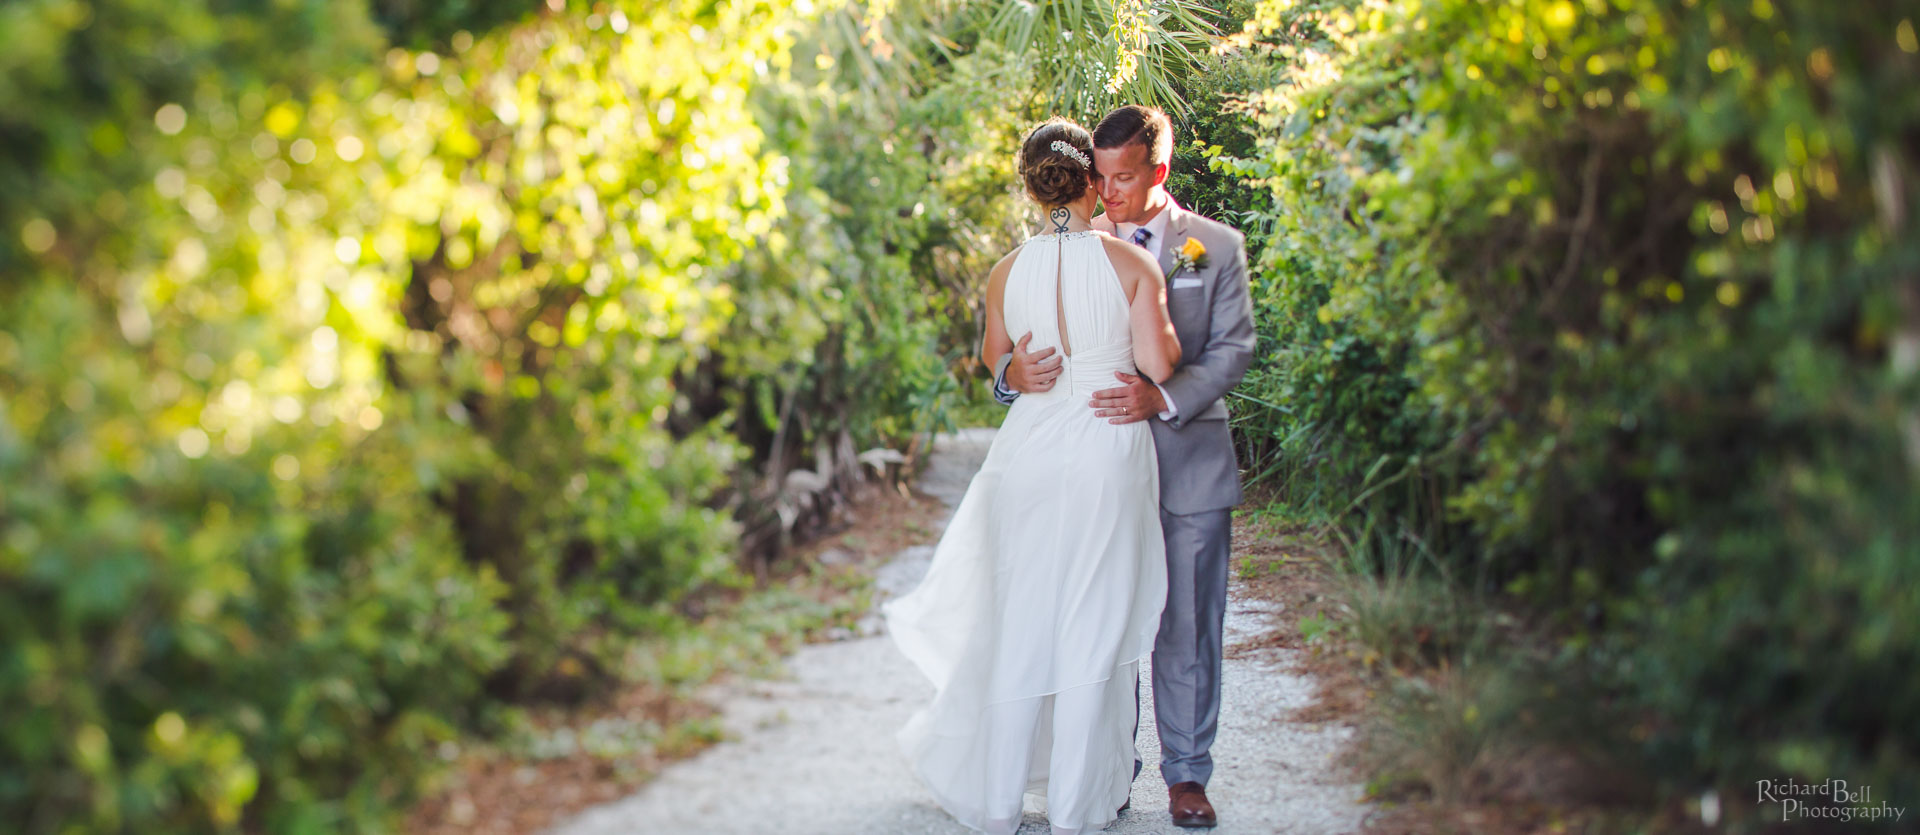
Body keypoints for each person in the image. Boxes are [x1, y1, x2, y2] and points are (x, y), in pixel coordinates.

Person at [885, 117, 1182, 835]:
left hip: (1028, 454)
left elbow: (997, 363)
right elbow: (1161, 364)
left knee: (1020, 623)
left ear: (1029, 186)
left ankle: (997, 804)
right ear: (1091, 182)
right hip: (1107, 447)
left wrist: (1013, 372)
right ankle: (1078, 809)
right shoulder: (1132, 266)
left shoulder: (1004, 272)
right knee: (1094, 628)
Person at [995, 104, 1256, 829]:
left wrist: (1163, 395)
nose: (1107, 193)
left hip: (1189, 463)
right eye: (1099, 177)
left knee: (1187, 624)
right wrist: (1011, 373)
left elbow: (1234, 349)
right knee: (1099, 617)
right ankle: (1111, 771)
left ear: (1158, 173)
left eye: (1123, 178)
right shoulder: (1073, 247)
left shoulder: (1213, 246)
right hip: (1101, 465)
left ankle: (1187, 776)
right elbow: (1005, 353)